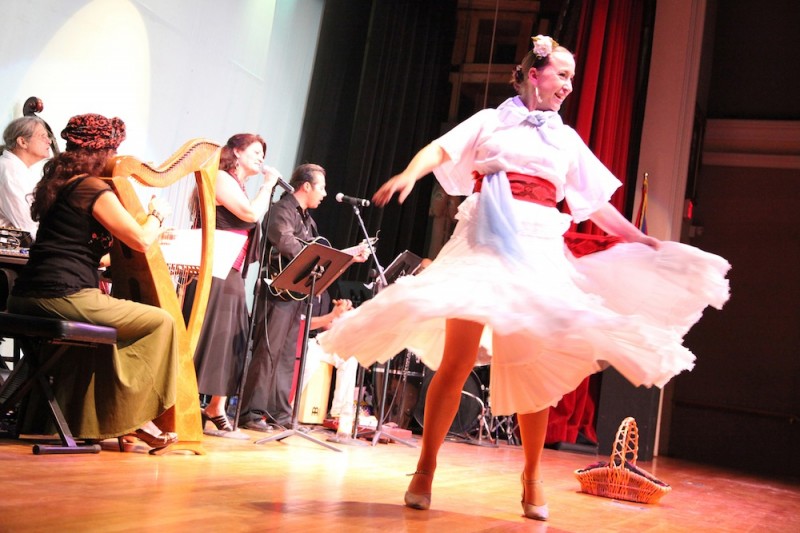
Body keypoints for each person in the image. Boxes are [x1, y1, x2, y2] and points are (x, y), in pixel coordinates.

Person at [318, 35, 730, 520]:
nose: (569, 86)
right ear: (534, 74)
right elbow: (440, 150)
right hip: (484, 239)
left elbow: (593, 202)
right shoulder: (492, 120)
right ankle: (425, 469)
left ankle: (532, 477)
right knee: (456, 359)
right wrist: (410, 174)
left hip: (537, 244)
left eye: (573, 78)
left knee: (533, 362)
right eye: (562, 75)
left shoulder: (566, 139)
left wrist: (638, 238)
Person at [7, 113, 180, 450]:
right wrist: (157, 216)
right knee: (161, 322)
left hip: (29, 293)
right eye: (116, 150)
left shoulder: (64, 186)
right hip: (62, 296)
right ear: (104, 152)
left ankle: (110, 422)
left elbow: (78, 250)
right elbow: (142, 240)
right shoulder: (91, 187)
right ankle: (131, 418)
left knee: (108, 329)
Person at [238, 163, 367, 431]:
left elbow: (314, 255)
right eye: (321, 187)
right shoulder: (282, 210)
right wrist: (313, 256)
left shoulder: (308, 219)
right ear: (306, 186)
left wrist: (348, 256)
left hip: (294, 292)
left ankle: (279, 414)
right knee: (267, 352)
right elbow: (283, 240)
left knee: (286, 356)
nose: (324, 193)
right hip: (275, 292)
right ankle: (250, 413)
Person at [191, 133, 279, 434]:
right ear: (237, 152)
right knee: (209, 336)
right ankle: (187, 401)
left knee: (234, 339)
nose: (261, 159)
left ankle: (216, 405)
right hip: (213, 269)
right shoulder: (221, 177)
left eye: (263, 154)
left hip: (231, 270)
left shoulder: (238, 186)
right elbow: (250, 213)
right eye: (255, 152)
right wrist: (268, 185)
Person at [300, 292, 358, 435]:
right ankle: (287, 410)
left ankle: (340, 414)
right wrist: (332, 315)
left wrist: (344, 317)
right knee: (310, 362)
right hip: (302, 341)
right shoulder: (303, 291)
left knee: (349, 358)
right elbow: (303, 322)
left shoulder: (325, 294)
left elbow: (325, 325)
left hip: (319, 342)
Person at [0, 116, 52, 238]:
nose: (49, 141)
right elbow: (28, 227)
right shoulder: (10, 171)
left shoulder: (15, 168)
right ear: (22, 142)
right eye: (42, 136)